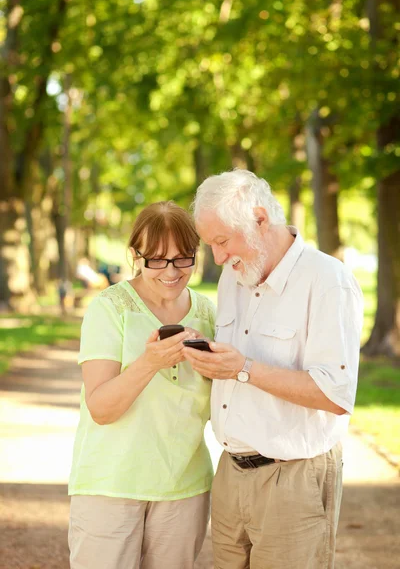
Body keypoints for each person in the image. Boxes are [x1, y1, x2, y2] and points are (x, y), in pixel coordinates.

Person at [183, 169, 363, 569]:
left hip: (293, 480)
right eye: (210, 244)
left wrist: (243, 369)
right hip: (230, 474)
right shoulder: (235, 277)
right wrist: (210, 355)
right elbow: (235, 364)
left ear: (260, 219)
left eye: (222, 241)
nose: (217, 258)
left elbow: (335, 395)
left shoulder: (328, 280)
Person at [68, 201, 216, 569]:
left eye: (183, 258)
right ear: (136, 255)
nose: (171, 271)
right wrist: (150, 362)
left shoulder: (209, 313)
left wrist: (211, 362)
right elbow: (101, 409)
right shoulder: (110, 307)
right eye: (156, 259)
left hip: (185, 487)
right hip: (110, 485)